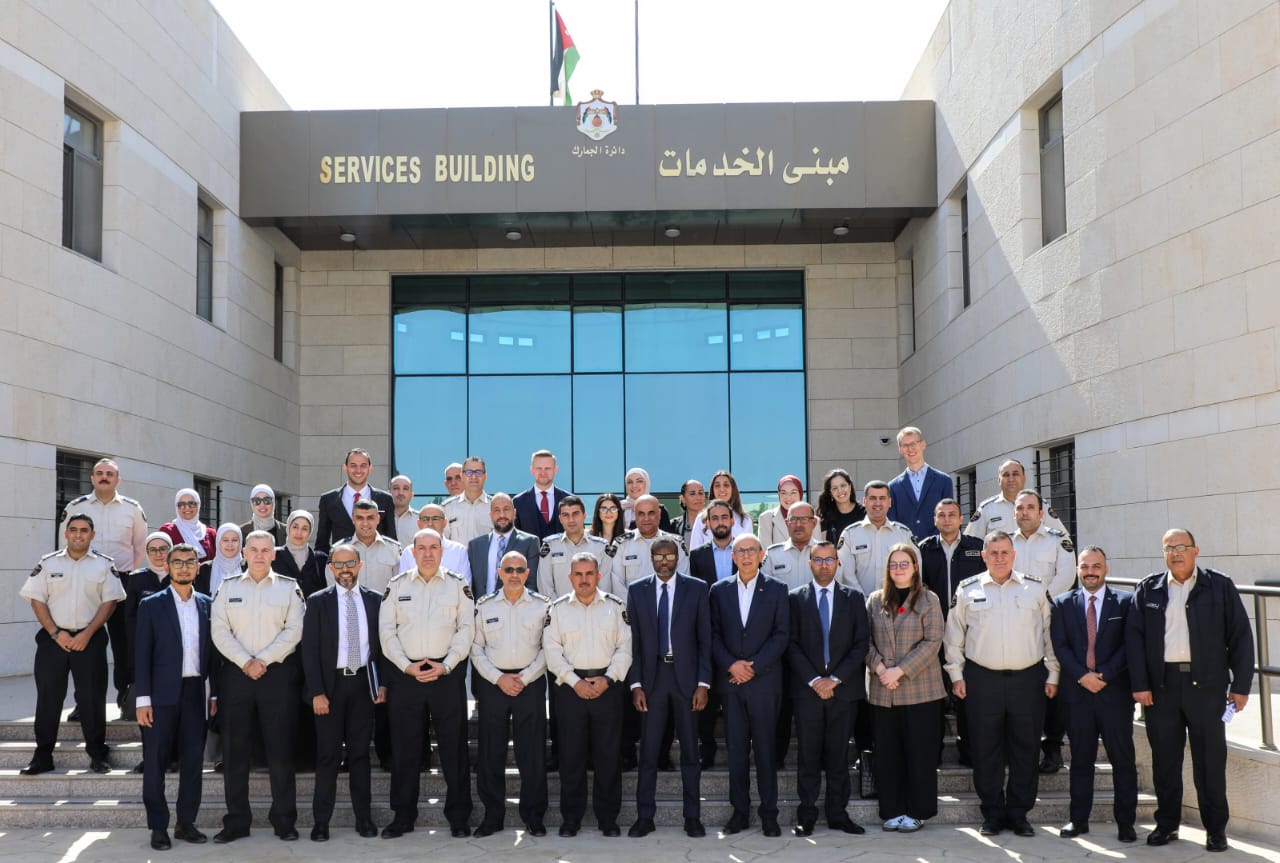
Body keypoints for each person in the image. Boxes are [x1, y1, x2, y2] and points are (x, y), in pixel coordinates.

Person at [1126, 529, 1254, 853]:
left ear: (1196, 551)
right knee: (1165, 762)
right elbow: (1134, 641)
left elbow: (1241, 636)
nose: (1176, 553)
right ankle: (1167, 824)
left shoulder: (1219, 586)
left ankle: (1215, 830)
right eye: (1169, 548)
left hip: (1207, 689)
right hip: (1161, 689)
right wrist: (1139, 685)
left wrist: (1240, 687)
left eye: (1182, 547)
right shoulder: (1149, 588)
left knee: (1210, 763)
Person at [944, 530, 1059, 837]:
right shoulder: (967, 589)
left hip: (1028, 679)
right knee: (985, 749)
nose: (999, 558)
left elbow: (1050, 634)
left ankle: (1019, 814)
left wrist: (1053, 673)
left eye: (1004, 552)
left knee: (1026, 748)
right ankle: (993, 813)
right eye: (993, 553)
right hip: (982, 680)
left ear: (1014, 554)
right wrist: (956, 675)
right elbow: (953, 637)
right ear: (983, 556)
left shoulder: (1035, 588)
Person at [378, 528, 475, 839]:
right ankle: (403, 816)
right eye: (422, 548)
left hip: (445, 675)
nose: (428, 553)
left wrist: (446, 665)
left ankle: (459, 817)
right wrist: (406, 666)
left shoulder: (458, 586)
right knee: (405, 750)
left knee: (454, 749)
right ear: (413, 552)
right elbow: (386, 632)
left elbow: (466, 629)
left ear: (442, 551)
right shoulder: (397, 585)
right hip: (406, 677)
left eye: (434, 547)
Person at [209, 530, 305, 843]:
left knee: (281, 750)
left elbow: (294, 631)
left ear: (274, 554)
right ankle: (237, 822)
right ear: (244, 554)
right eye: (254, 549)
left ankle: (284, 821)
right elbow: (219, 631)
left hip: (276, 676)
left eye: (266, 550)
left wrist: (262, 660)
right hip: (237, 676)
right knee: (235, 752)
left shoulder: (289, 588)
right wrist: (245, 661)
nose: (260, 555)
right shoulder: (228, 587)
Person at [20, 514, 125, 775]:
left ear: (92, 535)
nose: (79, 534)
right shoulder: (48, 563)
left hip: (90, 639)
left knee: (92, 699)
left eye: (84, 530)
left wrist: (86, 635)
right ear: (66, 533)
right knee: (48, 698)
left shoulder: (104, 565)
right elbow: (36, 599)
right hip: (53, 640)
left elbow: (110, 602)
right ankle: (43, 756)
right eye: (74, 530)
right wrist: (56, 633)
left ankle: (97, 754)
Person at [1050, 546, 1138, 843]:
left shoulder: (1125, 602)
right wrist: (1082, 676)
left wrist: (1105, 675)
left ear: (1106, 569)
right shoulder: (1063, 603)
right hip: (1078, 695)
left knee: (1122, 760)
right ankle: (1078, 820)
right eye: (1085, 566)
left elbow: (1129, 645)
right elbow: (1060, 645)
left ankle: (1126, 823)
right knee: (1081, 760)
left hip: (1114, 694)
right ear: (1078, 570)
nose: (1090, 572)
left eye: (1096, 566)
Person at [626, 540, 712, 839]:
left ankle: (692, 817)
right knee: (649, 753)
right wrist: (636, 684)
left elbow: (705, 640)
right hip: (652, 680)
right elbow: (633, 643)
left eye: (670, 556)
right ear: (651, 558)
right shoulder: (637, 590)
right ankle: (644, 817)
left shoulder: (697, 588)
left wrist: (703, 683)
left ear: (678, 558)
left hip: (687, 680)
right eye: (659, 556)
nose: (664, 561)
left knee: (690, 752)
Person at [300, 543, 386, 842]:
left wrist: (382, 684)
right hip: (330, 689)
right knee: (327, 757)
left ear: (359, 565)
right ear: (331, 568)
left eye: (350, 563)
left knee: (360, 756)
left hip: (363, 686)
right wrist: (317, 692)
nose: (345, 569)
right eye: (339, 564)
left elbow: (382, 648)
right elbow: (309, 651)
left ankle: (364, 819)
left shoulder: (375, 600)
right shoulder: (317, 602)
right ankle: (321, 822)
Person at [543, 552, 633, 837]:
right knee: (571, 757)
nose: (584, 580)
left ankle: (608, 818)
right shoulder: (557, 609)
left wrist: (608, 679)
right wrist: (575, 682)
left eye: (589, 574)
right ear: (570, 578)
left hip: (608, 687)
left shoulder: (615, 607)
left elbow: (625, 649)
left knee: (608, 756)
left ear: (598, 576)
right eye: (578, 574)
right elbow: (552, 651)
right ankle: (571, 819)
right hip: (570, 690)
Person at [709, 533, 790, 837]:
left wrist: (753, 667)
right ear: (732, 556)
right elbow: (713, 634)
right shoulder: (719, 590)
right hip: (732, 683)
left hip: (764, 683)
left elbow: (781, 635)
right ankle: (739, 813)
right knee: (736, 752)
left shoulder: (777, 589)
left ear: (761, 555)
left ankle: (769, 814)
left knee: (766, 751)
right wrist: (732, 665)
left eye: (751, 551)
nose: (745, 556)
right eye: (740, 551)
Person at [134, 543, 214, 850]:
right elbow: (142, 655)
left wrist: (215, 694)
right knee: (155, 763)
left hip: (196, 693)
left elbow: (213, 655)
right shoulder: (151, 605)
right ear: (167, 567)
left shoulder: (207, 604)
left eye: (189, 562)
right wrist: (143, 699)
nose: (183, 567)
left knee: (193, 762)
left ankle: (186, 823)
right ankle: (158, 827)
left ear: (197, 568)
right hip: (160, 696)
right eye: (177, 562)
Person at [787, 540, 868, 837]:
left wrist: (834, 679)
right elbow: (791, 644)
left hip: (843, 691)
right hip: (807, 692)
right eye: (818, 560)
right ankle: (806, 815)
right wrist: (814, 680)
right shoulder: (795, 599)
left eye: (829, 559)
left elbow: (861, 644)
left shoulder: (854, 598)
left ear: (838, 562)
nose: (824, 565)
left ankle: (838, 814)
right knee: (808, 756)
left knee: (838, 756)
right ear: (809, 563)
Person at [470, 550, 551, 837]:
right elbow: (475, 648)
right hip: (494, 684)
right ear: (499, 573)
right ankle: (493, 816)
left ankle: (534, 816)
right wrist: (498, 678)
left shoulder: (542, 605)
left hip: (530, 683)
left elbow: (549, 648)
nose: (514, 575)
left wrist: (525, 678)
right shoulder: (484, 606)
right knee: (491, 753)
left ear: (527, 573)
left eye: (519, 570)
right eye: (509, 570)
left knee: (533, 753)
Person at [866, 544, 945, 834]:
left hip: (920, 691)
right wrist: (880, 670)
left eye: (904, 564)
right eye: (894, 564)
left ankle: (917, 811)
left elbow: (933, 641)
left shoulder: (929, 599)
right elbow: (865, 641)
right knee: (888, 756)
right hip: (883, 691)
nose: (898, 569)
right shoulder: (875, 600)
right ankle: (892, 810)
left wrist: (899, 671)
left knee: (919, 754)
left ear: (915, 567)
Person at [59, 457, 147, 713]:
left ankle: (125, 697)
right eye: (99, 473)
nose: (104, 477)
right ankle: (84, 703)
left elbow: (140, 546)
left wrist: (126, 575)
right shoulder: (76, 507)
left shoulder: (132, 508)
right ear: (92, 478)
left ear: (118, 479)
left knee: (123, 643)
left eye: (109, 473)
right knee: (84, 643)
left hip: (122, 582)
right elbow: (65, 545)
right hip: (85, 582)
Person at [1010, 489, 1076, 773]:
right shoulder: (1005, 541)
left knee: (1052, 682)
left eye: (1030, 507)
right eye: (1019, 508)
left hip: (1050, 619)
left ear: (1041, 512)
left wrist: (1039, 601)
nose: (1024, 512)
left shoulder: (1057, 540)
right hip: (1013, 622)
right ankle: (1022, 745)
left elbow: (1066, 576)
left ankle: (1052, 747)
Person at [916, 498, 985, 763]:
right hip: (932, 630)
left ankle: (968, 750)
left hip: (968, 630)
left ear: (961, 519)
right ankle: (933, 752)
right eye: (941, 515)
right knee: (934, 695)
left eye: (952, 514)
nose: (947, 519)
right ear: (935, 519)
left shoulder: (976, 547)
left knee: (966, 691)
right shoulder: (924, 549)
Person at [837, 481, 914, 595]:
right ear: (864, 501)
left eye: (882, 498)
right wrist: (862, 601)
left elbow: (915, 570)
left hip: (898, 603)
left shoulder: (904, 534)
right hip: (859, 603)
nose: (877, 503)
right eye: (872, 498)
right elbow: (846, 575)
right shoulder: (849, 534)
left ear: (889, 502)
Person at [314, 448, 397, 553]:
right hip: (341, 561)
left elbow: (391, 541)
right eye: (353, 465)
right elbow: (322, 544)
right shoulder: (328, 500)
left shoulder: (385, 499)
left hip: (376, 561)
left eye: (363, 465)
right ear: (345, 467)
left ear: (370, 468)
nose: (358, 470)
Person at [965, 458, 1067, 538]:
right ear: (999, 480)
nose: (1011, 479)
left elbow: (1061, 538)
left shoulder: (1041, 505)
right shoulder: (986, 509)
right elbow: (970, 543)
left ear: (1024, 478)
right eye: (1006, 475)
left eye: (1015, 474)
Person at [539, 495, 614, 601]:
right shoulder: (550, 546)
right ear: (560, 519)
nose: (571, 519)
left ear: (584, 516)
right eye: (566, 515)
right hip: (558, 610)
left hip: (594, 609)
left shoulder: (601, 547)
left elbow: (605, 586)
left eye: (575, 514)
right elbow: (545, 585)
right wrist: (557, 608)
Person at [467, 493, 541, 596]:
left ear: (514, 513)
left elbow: (531, 584)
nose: (502, 515)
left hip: (517, 605)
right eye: (497, 510)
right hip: (482, 605)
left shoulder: (530, 542)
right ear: (490, 515)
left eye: (506, 509)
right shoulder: (475, 546)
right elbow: (471, 585)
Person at [612, 495, 688, 593]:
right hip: (631, 602)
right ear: (635, 515)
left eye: (651, 513)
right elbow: (617, 585)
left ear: (659, 514)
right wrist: (632, 602)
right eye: (641, 514)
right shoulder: (621, 544)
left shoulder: (676, 544)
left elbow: (683, 582)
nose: (646, 518)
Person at [887, 427, 954, 539]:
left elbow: (948, 516)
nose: (910, 449)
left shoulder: (943, 481)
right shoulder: (892, 487)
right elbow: (893, 522)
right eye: (905, 445)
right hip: (905, 546)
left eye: (913, 444)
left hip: (937, 546)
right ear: (900, 450)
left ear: (923, 445)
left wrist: (932, 543)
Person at [398, 504, 472, 584]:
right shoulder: (408, 552)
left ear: (445, 523)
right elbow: (402, 585)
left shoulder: (459, 551)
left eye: (435, 519)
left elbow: (465, 585)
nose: (430, 523)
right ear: (419, 523)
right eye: (425, 519)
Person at [343, 498, 402, 595]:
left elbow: (400, 584)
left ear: (378, 519)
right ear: (353, 519)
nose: (365, 523)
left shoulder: (393, 549)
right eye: (360, 518)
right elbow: (333, 584)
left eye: (370, 518)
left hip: (384, 604)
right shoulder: (339, 550)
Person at [764, 500, 822, 589]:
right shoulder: (773, 554)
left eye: (804, 519)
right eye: (793, 519)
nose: (798, 524)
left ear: (814, 523)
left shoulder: (825, 553)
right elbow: (764, 587)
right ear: (787, 523)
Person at [688, 470, 753, 548]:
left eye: (726, 485)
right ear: (713, 490)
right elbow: (694, 550)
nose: (721, 489)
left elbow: (750, 549)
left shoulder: (745, 520)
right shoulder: (701, 519)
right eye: (717, 486)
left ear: (733, 489)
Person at [513, 449, 570, 539]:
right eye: (539, 468)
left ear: (555, 470)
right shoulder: (518, 502)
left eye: (547, 468)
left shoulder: (569, 499)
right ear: (532, 470)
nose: (543, 472)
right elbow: (514, 537)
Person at [273, 510, 329, 597]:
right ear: (288, 528)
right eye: (295, 527)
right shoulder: (273, 556)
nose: (299, 533)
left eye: (304, 528)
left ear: (310, 532)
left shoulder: (321, 560)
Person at [442, 455, 492, 544]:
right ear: (462, 476)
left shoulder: (495, 507)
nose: (474, 477)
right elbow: (443, 542)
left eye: (478, 472)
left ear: (485, 476)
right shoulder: (447, 508)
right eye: (469, 472)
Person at [757, 474, 817, 548]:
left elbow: (818, 550)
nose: (788, 497)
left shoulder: (813, 519)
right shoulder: (766, 518)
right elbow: (765, 551)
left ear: (800, 494)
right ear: (779, 494)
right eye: (783, 493)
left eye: (793, 492)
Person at [689, 499, 738, 587]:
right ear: (708, 524)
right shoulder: (696, 556)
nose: (720, 522)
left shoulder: (745, 551)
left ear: (732, 521)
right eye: (715, 518)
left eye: (724, 517)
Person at [160, 488, 215, 560]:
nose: (187, 508)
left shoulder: (211, 534)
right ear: (177, 507)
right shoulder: (168, 531)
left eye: (191, 504)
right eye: (181, 504)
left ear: (198, 505)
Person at [816, 468, 865, 546]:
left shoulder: (864, 513)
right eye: (835, 488)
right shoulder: (825, 515)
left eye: (843, 485)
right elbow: (822, 546)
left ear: (850, 487)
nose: (840, 491)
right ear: (830, 493)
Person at [621, 467, 674, 532]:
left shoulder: (658, 509)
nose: (634, 486)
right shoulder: (619, 509)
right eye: (630, 482)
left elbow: (666, 536)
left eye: (639, 481)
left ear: (647, 484)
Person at [197, 523, 243, 597]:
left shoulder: (248, 568)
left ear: (240, 542)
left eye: (234, 540)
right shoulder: (204, 569)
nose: (230, 544)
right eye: (225, 540)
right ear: (218, 542)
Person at [389, 475, 419, 545]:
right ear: (388, 493)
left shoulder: (421, 520)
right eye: (396, 488)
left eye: (405, 489)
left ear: (411, 495)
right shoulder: (379, 519)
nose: (401, 493)